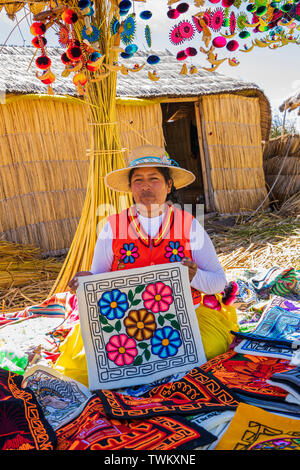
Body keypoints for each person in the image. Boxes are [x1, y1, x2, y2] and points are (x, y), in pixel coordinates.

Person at [54, 145, 238, 386]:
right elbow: (98, 279)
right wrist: (85, 283)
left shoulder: (188, 224)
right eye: (138, 180)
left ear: (169, 185)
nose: (146, 186)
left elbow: (217, 282)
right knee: (83, 368)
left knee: (208, 348)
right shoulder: (113, 226)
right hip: (124, 327)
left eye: (154, 178)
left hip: (184, 320)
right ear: (131, 188)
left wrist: (193, 276)